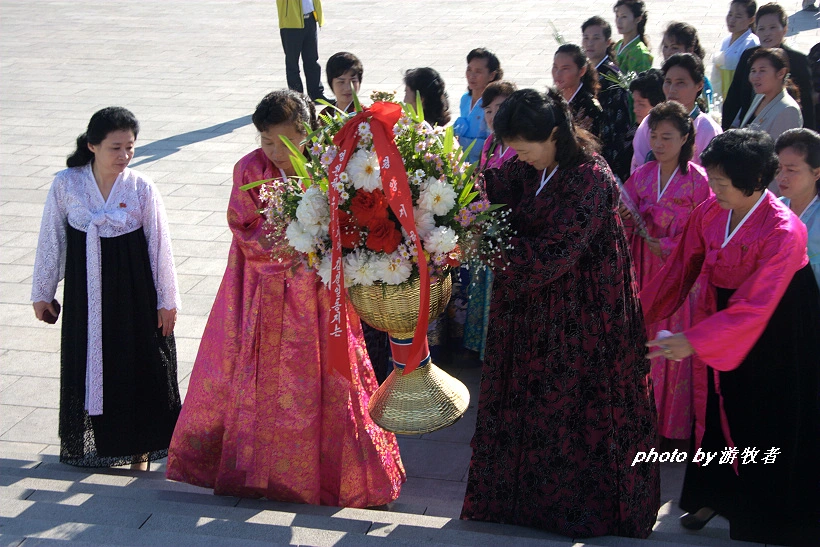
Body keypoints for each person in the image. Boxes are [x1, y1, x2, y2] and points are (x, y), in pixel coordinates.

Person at [165, 90, 405, 506]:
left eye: (283, 140)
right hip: (256, 290)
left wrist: (326, 243)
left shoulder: (329, 166)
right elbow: (244, 226)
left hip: (315, 299)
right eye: (265, 140)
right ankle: (253, 470)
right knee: (252, 372)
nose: (273, 151)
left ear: (305, 133)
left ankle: (332, 476)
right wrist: (301, 245)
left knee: (325, 379)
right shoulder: (248, 169)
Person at [461, 89, 660, 539]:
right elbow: (487, 188)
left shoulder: (590, 178)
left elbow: (552, 254)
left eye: (525, 148)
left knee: (574, 411)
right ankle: (518, 505)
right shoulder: (528, 166)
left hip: (584, 321)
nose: (518, 157)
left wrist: (489, 244)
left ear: (554, 133)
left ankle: (584, 514)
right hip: (532, 315)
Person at [642, 129, 820, 545]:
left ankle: (769, 515)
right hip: (722, 317)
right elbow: (678, 270)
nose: (714, 189)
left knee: (767, 414)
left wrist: (695, 341)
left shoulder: (784, 230)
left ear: (754, 182)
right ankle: (715, 495)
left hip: (780, 324)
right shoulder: (710, 212)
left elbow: (757, 304)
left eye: (722, 183)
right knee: (721, 409)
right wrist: (637, 317)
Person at [31, 107, 181, 470]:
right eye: (116, 147)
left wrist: (167, 301)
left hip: (135, 293)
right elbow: (51, 239)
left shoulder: (141, 187)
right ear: (92, 146)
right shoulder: (66, 184)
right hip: (86, 295)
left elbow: (160, 246)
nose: (124, 156)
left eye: (130, 147)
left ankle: (141, 449)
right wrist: (43, 291)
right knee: (91, 363)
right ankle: (98, 443)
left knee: (139, 363)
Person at [620, 101, 712, 444]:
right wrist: (629, 220)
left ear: (686, 137)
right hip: (644, 271)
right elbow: (624, 215)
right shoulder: (642, 176)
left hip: (680, 280)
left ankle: (674, 426)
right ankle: (641, 420)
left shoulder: (700, 182)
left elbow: (706, 232)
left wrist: (671, 246)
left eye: (668, 137)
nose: (659, 144)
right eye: (654, 136)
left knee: (673, 350)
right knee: (643, 343)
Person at [721, 2, 815, 131]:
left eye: (772, 27)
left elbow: (807, 106)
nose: (767, 33)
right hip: (748, 129)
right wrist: (724, 131)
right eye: (761, 28)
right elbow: (734, 98)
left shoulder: (798, 60)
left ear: (785, 29)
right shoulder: (749, 56)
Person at [632, 53, 723, 173]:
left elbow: (713, 176)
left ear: (699, 85)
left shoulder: (708, 128)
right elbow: (637, 168)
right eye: (668, 82)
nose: (672, 89)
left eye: (680, 83)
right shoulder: (649, 123)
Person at [582, 16, 633, 181]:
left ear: (608, 42)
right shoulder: (587, 70)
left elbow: (616, 124)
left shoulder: (610, 75)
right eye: (586, 38)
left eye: (596, 38)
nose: (590, 43)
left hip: (609, 149)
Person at [775, 128, 820, 292]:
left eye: (791, 170)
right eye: (779, 169)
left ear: (816, 173)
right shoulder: (774, 209)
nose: (781, 177)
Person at [737, 48, 802, 142]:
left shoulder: (788, 109)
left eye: (762, 71)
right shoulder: (759, 97)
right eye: (753, 71)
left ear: (781, 73)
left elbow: (780, 152)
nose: (755, 77)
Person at [453, 48, 503, 164]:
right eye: (469, 70)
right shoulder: (465, 99)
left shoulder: (493, 105)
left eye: (478, 71)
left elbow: (492, 143)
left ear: (491, 75)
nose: (471, 76)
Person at [277, 0, 328, 102]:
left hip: (311, 18)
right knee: (292, 63)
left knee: (312, 60)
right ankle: (297, 98)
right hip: (291, 23)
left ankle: (316, 94)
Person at [711, 0, 759, 99]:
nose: (732, 20)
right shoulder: (726, 41)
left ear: (751, 20)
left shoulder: (752, 43)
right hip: (724, 94)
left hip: (739, 95)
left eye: (738, 16)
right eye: (730, 14)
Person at [660, 22, 714, 109]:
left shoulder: (699, 81)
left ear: (690, 50)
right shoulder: (660, 75)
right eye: (665, 47)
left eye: (674, 48)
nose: (668, 52)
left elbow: (707, 108)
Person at [552, 44, 603, 136]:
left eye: (565, 68)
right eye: (555, 67)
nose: (557, 73)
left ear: (582, 71)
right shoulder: (549, 99)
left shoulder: (589, 107)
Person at [479, 81, 518, 170]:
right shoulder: (489, 142)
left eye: (500, 109)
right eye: (489, 111)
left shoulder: (523, 146)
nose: (493, 117)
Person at [613, 0, 653, 74]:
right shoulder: (618, 45)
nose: (618, 21)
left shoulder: (640, 53)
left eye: (624, 17)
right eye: (617, 16)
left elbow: (642, 83)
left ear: (637, 19)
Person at [321, 51, 362, 117]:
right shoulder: (324, 115)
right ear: (331, 83)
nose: (347, 88)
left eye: (353, 81)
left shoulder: (364, 117)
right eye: (341, 82)